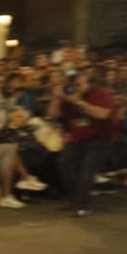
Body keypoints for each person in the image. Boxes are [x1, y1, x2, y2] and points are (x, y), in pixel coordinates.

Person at [49, 68, 119, 217]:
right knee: (64, 165)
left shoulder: (100, 93)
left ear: (88, 83)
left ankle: (83, 205)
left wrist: (79, 102)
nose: (76, 87)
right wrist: (57, 97)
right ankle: (72, 198)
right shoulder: (70, 96)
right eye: (74, 84)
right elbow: (53, 115)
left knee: (86, 171)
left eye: (80, 83)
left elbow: (103, 114)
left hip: (99, 138)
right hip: (78, 138)